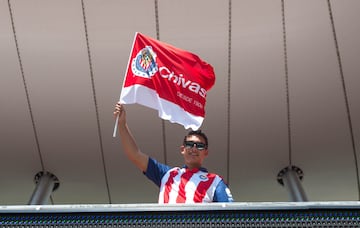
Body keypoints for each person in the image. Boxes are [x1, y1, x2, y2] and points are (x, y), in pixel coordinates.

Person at [114, 102, 233, 203]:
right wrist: (122, 124)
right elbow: (135, 155)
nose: (194, 148)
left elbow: (231, 214)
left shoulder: (215, 180)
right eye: (190, 144)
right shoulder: (167, 174)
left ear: (206, 152)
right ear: (182, 149)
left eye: (200, 146)